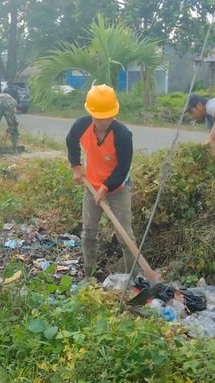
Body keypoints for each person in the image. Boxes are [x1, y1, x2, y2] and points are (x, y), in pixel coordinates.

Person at [66, 84, 136, 278]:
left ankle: (132, 277)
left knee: (125, 235)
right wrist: (76, 166)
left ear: (113, 113)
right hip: (92, 186)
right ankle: (89, 274)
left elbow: (123, 168)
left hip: (118, 188)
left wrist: (106, 187)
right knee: (88, 232)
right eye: (99, 117)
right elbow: (71, 140)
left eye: (107, 117)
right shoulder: (82, 125)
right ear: (91, 113)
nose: (103, 121)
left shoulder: (122, 135)